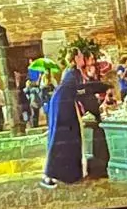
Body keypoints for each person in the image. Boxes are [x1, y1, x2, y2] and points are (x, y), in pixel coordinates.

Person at [41, 49, 107, 187]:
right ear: (75, 58)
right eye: (81, 56)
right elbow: (79, 91)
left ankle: (69, 174)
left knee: (70, 140)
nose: (83, 58)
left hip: (63, 104)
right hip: (63, 106)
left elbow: (79, 91)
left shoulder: (73, 73)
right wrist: (96, 89)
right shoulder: (72, 73)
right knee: (61, 139)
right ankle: (48, 174)